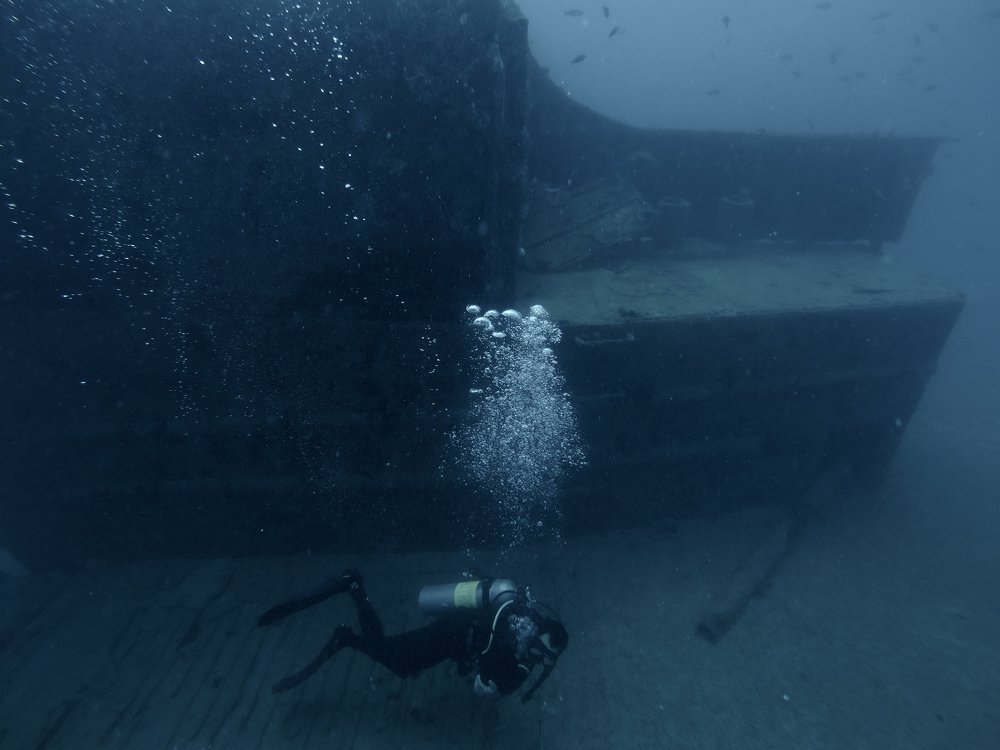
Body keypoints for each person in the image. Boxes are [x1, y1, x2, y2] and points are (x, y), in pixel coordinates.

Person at [258, 569, 567, 702]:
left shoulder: (527, 624)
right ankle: (353, 594)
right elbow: (485, 675)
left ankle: (349, 629)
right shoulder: (515, 633)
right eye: (540, 650)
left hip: (456, 635)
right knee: (398, 660)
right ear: (539, 631)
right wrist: (492, 682)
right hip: (451, 633)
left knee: (398, 658)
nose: (537, 657)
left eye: (546, 657)